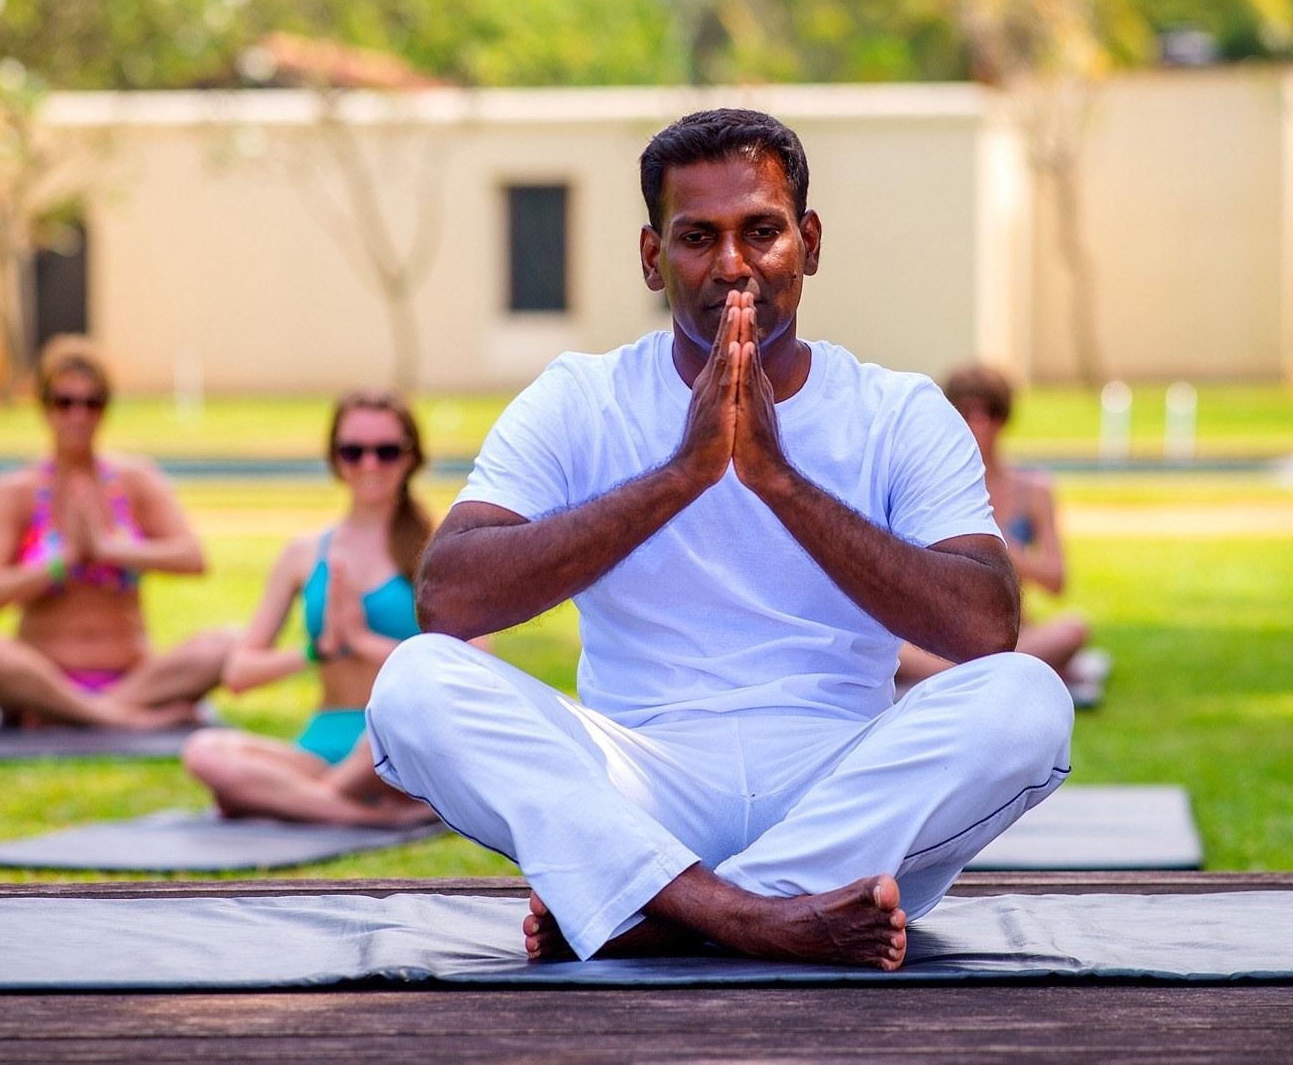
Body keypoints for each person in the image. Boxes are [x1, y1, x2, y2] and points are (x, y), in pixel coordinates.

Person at [366, 108, 1073, 971]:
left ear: (809, 242)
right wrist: (679, 477)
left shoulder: (896, 411)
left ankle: (655, 907)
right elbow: (447, 598)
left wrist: (779, 479)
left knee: (1027, 699)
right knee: (414, 683)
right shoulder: (581, 398)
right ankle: (762, 916)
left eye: (762, 231)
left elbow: (985, 626)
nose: (732, 264)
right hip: (639, 784)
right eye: (697, 236)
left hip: (842, 793)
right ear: (651, 257)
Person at [181, 390, 448, 828]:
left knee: (388, 736)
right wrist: (314, 652)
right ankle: (370, 815)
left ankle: (295, 801)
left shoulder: (438, 553)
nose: (369, 465)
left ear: (411, 458)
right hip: (320, 746)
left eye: (386, 451)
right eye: (353, 451)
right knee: (204, 751)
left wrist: (362, 642)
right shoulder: (303, 554)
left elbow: (473, 668)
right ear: (335, 458)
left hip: (395, 745)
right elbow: (239, 672)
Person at [0, 335, 230, 729]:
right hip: (44, 675)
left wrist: (109, 549)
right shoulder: (17, 490)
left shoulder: (136, 480)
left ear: (105, 409)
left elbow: (193, 558)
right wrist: (62, 561)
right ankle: (124, 721)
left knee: (229, 644)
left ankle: (79, 714)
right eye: (65, 402)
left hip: (135, 678)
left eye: (92, 402)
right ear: (45, 407)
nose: (78, 415)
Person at [899, 365, 1093, 693]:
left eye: (988, 414)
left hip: (1009, 634)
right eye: (967, 414)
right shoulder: (929, 485)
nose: (979, 425)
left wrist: (999, 553)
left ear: (1002, 420)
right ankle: (993, 674)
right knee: (888, 648)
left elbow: (1056, 578)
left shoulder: (1032, 490)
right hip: (942, 633)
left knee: (1074, 630)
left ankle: (960, 676)